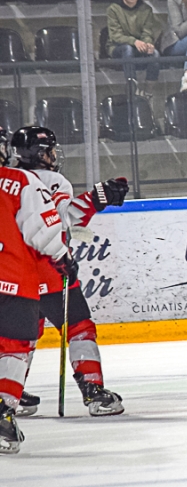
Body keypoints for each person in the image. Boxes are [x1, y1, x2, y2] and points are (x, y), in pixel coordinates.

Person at [11, 127, 129, 417]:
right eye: (49, 149)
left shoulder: (6, 180)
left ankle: (8, 397)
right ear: (40, 154)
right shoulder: (52, 181)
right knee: (79, 327)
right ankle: (94, 392)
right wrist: (96, 198)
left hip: (11, 273)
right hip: (49, 269)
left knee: (19, 337)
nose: (53, 155)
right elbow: (60, 219)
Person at [0, 131, 72, 454]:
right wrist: (64, 258)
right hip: (13, 280)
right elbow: (42, 231)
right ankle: (2, 413)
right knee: (16, 347)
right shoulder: (20, 181)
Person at [106, 0, 160, 97]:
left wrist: (148, 44)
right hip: (118, 48)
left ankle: (148, 91)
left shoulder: (146, 10)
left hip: (139, 47)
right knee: (127, 49)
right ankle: (132, 86)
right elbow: (116, 35)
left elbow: (147, 32)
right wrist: (134, 41)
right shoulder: (113, 9)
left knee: (155, 54)